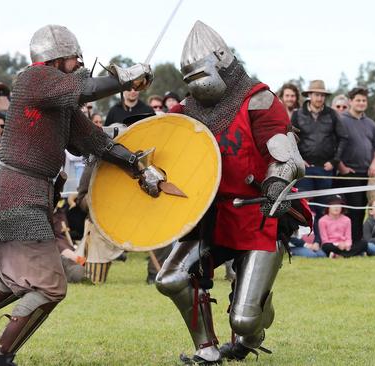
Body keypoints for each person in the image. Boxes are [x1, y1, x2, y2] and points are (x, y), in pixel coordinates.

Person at [0, 24, 154, 366]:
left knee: (16, 279)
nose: (79, 65)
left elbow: (93, 142)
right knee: (51, 286)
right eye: (74, 59)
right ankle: (0, 358)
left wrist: (135, 162)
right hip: (16, 193)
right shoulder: (33, 78)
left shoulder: (61, 102)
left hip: (24, 194)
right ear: (57, 58)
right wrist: (127, 77)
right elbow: (87, 87)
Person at [156, 21, 310, 363]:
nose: (196, 84)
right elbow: (159, 141)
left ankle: (251, 329)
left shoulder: (259, 100)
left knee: (244, 319)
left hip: (259, 213)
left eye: (201, 73)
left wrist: (274, 183)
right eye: (189, 77)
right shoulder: (186, 110)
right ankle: (207, 349)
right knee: (170, 278)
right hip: (211, 215)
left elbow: (288, 158)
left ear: (222, 61)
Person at [291, 80, 348, 241]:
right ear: (309, 95)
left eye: (322, 95)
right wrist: (299, 160)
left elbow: (343, 138)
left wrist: (335, 161)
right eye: (316, 94)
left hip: (325, 168)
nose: (319, 98)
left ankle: (322, 242)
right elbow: (290, 138)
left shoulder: (331, 114)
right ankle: (305, 242)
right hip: (305, 168)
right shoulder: (297, 114)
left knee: (324, 206)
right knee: (305, 206)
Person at [335, 86, 375, 242]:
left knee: (363, 210)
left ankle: (359, 243)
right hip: (348, 174)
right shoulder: (341, 120)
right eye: (358, 100)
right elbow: (334, 146)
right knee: (351, 211)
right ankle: (349, 243)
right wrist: (341, 166)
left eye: (364, 100)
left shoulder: (370, 123)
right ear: (350, 101)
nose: (361, 103)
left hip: (367, 174)